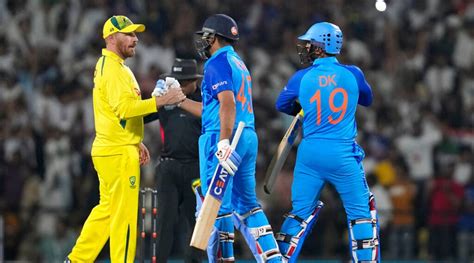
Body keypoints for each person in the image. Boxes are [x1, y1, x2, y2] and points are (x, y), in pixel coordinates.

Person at [66, 15, 185, 262]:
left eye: (135, 34)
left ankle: (77, 259)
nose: (135, 39)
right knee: (126, 217)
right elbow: (125, 109)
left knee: (108, 211)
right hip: (118, 153)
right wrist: (163, 100)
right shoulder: (113, 69)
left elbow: (116, 112)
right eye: (128, 34)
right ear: (111, 38)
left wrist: (134, 138)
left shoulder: (113, 67)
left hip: (113, 146)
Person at [178, 14, 282, 262]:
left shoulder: (216, 64)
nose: (203, 41)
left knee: (216, 208)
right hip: (246, 136)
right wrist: (180, 101)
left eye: (206, 36)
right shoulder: (239, 63)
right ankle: (273, 258)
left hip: (221, 137)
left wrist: (223, 141)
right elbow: (214, 108)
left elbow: (227, 103)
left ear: (214, 37)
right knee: (247, 205)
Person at [275, 22, 380, 262]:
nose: (306, 48)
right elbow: (367, 99)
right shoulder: (353, 73)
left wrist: (305, 106)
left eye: (310, 44)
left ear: (322, 46)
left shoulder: (301, 77)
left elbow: (281, 104)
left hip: (310, 152)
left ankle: (278, 259)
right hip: (342, 152)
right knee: (361, 213)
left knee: (298, 214)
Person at [143, 58, 203, 263]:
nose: (182, 85)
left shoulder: (203, 100)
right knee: (164, 223)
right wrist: (153, 101)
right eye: (179, 81)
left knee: (195, 224)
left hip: (196, 168)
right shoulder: (166, 97)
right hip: (168, 167)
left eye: (186, 82)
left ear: (195, 81)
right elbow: (139, 118)